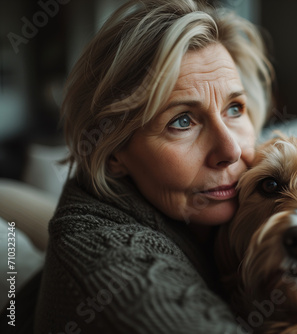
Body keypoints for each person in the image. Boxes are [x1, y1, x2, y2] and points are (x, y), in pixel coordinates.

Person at [34, 0, 274, 333]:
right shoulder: (120, 275)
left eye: (234, 108)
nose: (231, 150)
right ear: (114, 150)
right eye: (183, 121)